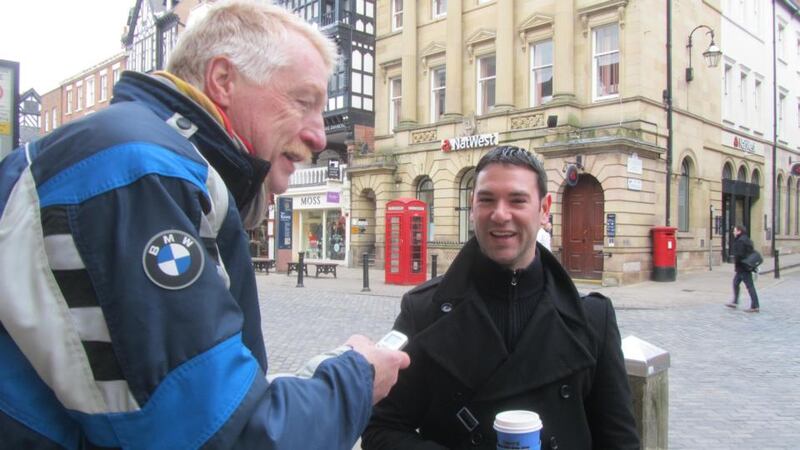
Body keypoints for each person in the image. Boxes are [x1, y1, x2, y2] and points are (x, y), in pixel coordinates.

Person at [0, 2, 408, 449]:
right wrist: (357, 378)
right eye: (302, 101)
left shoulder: (158, 164)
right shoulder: (142, 170)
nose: (317, 135)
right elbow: (223, 436)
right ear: (223, 81)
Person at [362, 146, 639, 450]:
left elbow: (619, 441)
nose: (500, 214)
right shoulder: (423, 310)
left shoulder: (593, 318)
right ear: (473, 206)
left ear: (544, 209)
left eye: (517, 200)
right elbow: (381, 429)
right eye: (487, 199)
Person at [726, 224, 760, 312]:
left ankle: (755, 306)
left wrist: (735, 259)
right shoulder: (747, 239)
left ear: (739, 231)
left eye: (735, 230)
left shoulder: (740, 241)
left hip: (743, 267)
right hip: (744, 267)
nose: (733, 232)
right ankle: (735, 301)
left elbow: (740, 254)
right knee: (735, 283)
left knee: (749, 286)